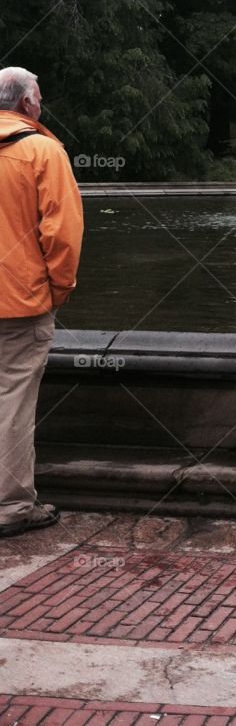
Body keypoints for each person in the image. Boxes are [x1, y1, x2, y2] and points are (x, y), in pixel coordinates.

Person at [0, 67, 83, 537]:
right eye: (40, 98)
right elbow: (63, 235)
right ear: (28, 105)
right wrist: (57, 291)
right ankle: (11, 507)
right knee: (12, 402)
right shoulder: (41, 151)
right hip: (19, 304)